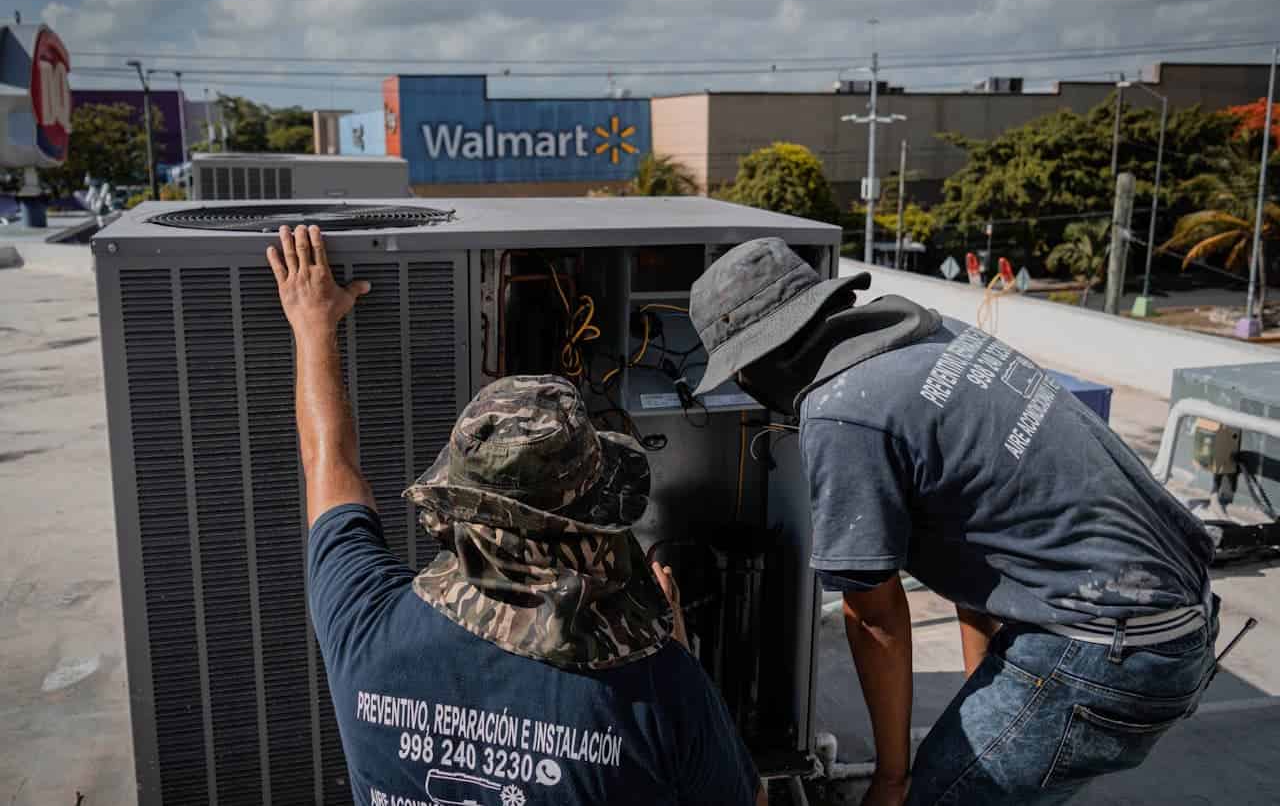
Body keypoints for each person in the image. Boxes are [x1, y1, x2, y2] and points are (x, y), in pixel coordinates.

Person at [688, 237, 1218, 806]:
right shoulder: (941, 338)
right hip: (1177, 625)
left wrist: (892, 781)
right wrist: (984, 700)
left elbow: (873, 617)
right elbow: (984, 541)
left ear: (765, 359)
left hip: (1106, 649)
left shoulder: (843, 411)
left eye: (741, 371)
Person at [267, 224, 764, 806]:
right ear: (593, 520)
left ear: (457, 500)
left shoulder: (365, 622)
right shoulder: (657, 691)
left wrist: (312, 326)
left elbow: (327, 461)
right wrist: (670, 641)